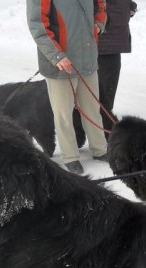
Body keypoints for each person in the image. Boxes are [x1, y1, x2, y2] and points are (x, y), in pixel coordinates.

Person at [27, 0, 109, 174]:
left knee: (92, 109)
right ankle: (70, 157)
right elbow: (38, 25)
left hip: (87, 59)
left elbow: (100, 5)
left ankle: (100, 149)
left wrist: (98, 25)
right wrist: (57, 56)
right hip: (60, 64)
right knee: (64, 114)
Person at [97, 0, 138, 137]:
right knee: (103, 87)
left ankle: (103, 123)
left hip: (110, 35)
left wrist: (129, 6)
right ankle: (104, 127)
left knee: (105, 86)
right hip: (104, 38)